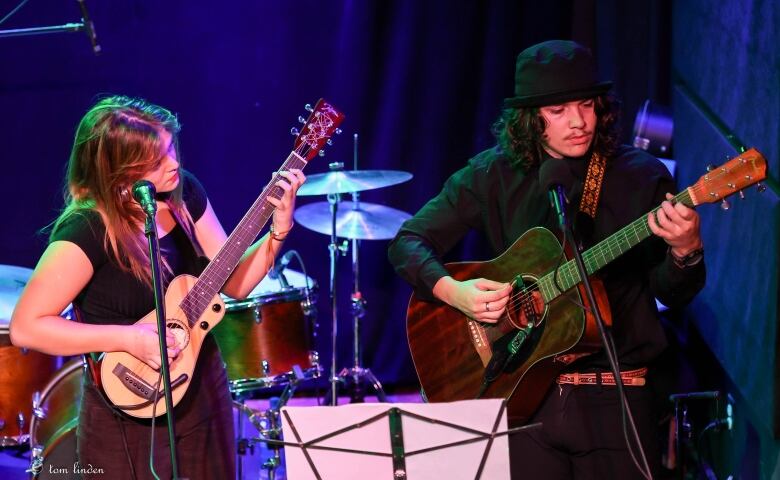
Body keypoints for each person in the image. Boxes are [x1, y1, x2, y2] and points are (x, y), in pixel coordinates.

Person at [388, 40, 706, 478]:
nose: (577, 122)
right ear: (529, 119)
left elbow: (672, 291)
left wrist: (686, 250)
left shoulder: (640, 176)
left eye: (586, 105)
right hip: (523, 399)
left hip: (616, 399)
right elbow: (408, 242)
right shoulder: (492, 174)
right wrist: (455, 292)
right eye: (557, 111)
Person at [10, 95, 305, 479]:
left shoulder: (184, 194)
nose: (175, 164)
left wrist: (278, 230)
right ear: (120, 170)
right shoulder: (86, 229)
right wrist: (130, 339)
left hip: (200, 389)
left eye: (171, 149)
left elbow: (234, 283)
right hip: (127, 410)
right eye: (158, 159)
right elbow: (26, 327)